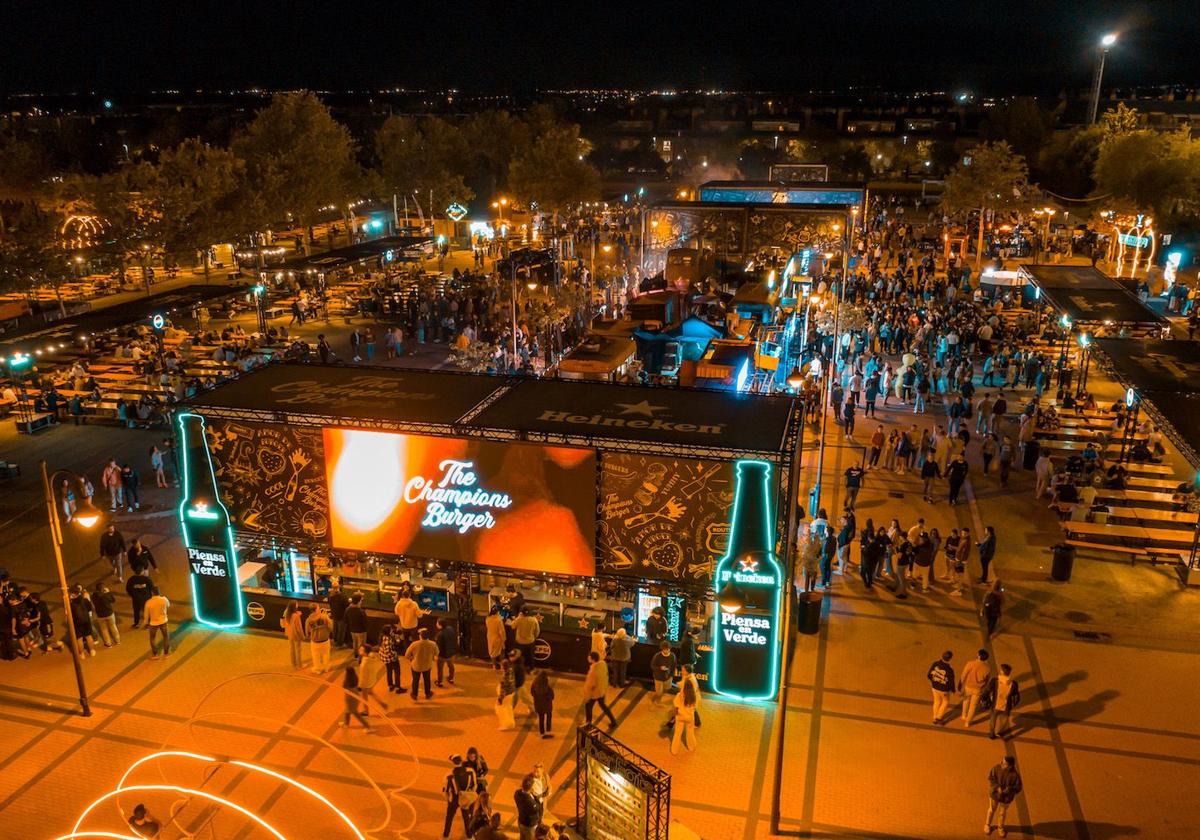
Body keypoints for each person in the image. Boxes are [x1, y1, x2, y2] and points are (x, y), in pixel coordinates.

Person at [985, 755, 1023, 837]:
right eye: (1002, 762)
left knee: (1002, 813)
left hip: (1006, 798)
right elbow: (991, 778)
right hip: (995, 794)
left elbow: (1018, 787)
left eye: (1005, 763)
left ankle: (1000, 827)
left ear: (1010, 765)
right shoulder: (996, 768)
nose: (1002, 764)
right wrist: (997, 787)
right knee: (991, 809)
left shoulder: (1015, 775)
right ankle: (987, 824)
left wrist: (1009, 790)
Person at [442, 754, 478, 839]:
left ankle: (446, 836)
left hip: (454, 798)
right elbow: (474, 785)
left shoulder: (448, 775)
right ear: (461, 761)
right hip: (466, 798)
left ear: (452, 763)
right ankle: (469, 836)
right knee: (467, 818)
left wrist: (448, 799)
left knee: (449, 818)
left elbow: (445, 790)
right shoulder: (470, 771)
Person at [583, 650, 617, 728]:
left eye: (589, 656)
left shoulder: (593, 671)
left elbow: (590, 685)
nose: (588, 657)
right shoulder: (603, 664)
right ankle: (613, 721)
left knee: (588, 707)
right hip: (602, 690)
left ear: (592, 659)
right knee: (603, 706)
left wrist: (587, 696)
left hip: (595, 693)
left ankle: (588, 724)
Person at [958, 649, 992, 727]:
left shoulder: (970, 664)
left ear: (979, 655)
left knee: (966, 701)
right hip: (978, 689)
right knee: (973, 706)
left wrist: (960, 684)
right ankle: (968, 722)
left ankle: (964, 715)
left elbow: (964, 675)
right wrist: (984, 687)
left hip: (968, 686)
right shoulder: (987, 668)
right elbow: (987, 680)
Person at [338, 655, 372, 732]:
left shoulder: (348, 681)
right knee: (347, 712)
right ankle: (346, 724)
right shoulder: (355, 678)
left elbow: (345, 688)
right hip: (352, 697)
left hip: (350, 699)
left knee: (354, 713)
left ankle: (367, 726)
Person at [406, 627, 438, 700]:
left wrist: (412, 658)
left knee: (415, 680)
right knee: (427, 680)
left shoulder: (414, 644)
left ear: (420, 636)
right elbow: (437, 653)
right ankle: (428, 693)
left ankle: (414, 694)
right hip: (427, 665)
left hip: (416, 666)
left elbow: (407, 655)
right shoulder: (433, 644)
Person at [671, 678, 699, 754]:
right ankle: (691, 747)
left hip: (680, 716)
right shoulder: (694, 696)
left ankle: (674, 750)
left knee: (677, 733)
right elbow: (695, 707)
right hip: (690, 717)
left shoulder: (679, 695)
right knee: (690, 732)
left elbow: (675, 706)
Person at [927, 650, 955, 725]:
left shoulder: (935, 664)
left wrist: (933, 681)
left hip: (934, 687)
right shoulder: (949, 670)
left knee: (937, 701)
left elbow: (929, 675)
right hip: (944, 689)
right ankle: (939, 717)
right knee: (945, 702)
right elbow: (951, 681)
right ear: (950, 659)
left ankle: (934, 717)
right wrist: (953, 690)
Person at [68, 585, 97, 657]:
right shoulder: (84, 600)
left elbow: (69, 614)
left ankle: (82, 653)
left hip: (77, 623)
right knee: (88, 636)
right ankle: (92, 650)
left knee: (79, 639)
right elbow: (90, 608)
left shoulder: (71, 604)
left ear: (73, 594)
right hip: (86, 620)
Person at [305, 604, 333, 674]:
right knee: (326, 654)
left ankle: (318, 669)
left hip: (315, 641)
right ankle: (326, 667)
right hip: (325, 639)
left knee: (315, 655)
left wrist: (310, 635)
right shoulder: (324, 617)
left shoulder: (308, 620)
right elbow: (330, 627)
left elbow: (307, 631)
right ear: (316, 609)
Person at [514, 775, 543, 840]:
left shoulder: (517, 793)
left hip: (521, 820)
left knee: (522, 837)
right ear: (531, 787)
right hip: (529, 825)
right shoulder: (530, 802)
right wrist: (537, 797)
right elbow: (538, 808)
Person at [145, 586, 170, 659]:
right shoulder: (164, 599)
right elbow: (168, 605)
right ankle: (166, 654)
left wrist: (145, 624)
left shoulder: (148, 602)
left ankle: (155, 654)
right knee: (166, 637)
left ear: (152, 593)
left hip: (153, 623)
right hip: (163, 621)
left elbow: (146, 616)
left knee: (152, 638)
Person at [91, 582, 120, 647]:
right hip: (109, 613)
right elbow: (113, 600)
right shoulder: (105, 595)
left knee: (104, 629)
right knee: (113, 626)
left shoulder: (94, 595)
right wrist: (108, 592)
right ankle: (117, 640)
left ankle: (108, 643)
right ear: (103, 589)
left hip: (100, 615)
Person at [531, 669, 555, 738]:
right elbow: (552, 696)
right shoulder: (547, 688)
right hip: (547, 706)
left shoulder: (534, 684)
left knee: (541, 718)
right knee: (549, 716)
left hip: (538, 705)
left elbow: (532, 693)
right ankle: (548, 729)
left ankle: (542, 732)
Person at [282, 601, 306, 669]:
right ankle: (300, 665)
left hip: (289, 633)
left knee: (292, 648)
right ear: (294, 606)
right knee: (298, 650)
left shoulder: (286, 613)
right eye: (296, 604)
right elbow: (299, 628)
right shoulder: (296, 616)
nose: (298, 605)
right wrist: (302, 636)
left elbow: (283, 622)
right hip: (296, 634)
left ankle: (293, 663)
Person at [378, 624, 401, 692]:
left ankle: (390, 685)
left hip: (385, 659)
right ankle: (398, 687)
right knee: (397, 672)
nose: (392, 631)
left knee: (389, 671)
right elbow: (388, 651)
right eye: (391, 630)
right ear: (388, 632)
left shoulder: (382, 637)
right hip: (391, 659)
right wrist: (395, 654)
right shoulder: (388, 641)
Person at [435, 618, 457, 687]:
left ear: (440, 625)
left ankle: (440, 682)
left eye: (437, 623)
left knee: (440, 669)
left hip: (442, 655)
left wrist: (436, 655)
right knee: (451, 666)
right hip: (451, 652)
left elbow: (438, 647)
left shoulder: (440, 635)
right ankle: (451, 678)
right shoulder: (450, 629)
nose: (436, 624)